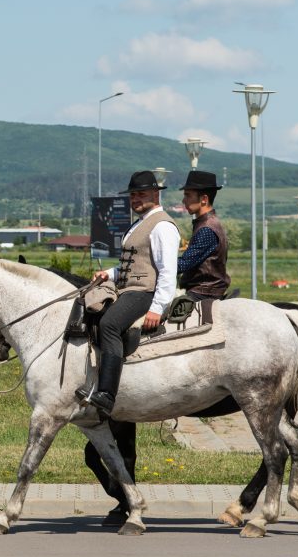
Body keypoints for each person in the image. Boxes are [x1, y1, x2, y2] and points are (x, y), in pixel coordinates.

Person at [80, 170, 180, 418]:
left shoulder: (162, 226)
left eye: (141, 194)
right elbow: (133, 264)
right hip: (127, 288)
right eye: (133, 195)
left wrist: (158, 307)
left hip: (144, 292)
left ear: (156, 194)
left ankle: (107, 393)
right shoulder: (140, 223)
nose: (135, 199)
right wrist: (109, 275)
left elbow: (167, 271)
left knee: (110, 324)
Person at [177, 170, 230, 301]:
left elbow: (183, 264)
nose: (184, 200)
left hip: (203, 292)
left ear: (204, 199)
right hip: (204, 290)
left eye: (188, 195)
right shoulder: (208, 223)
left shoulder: (207, 228)